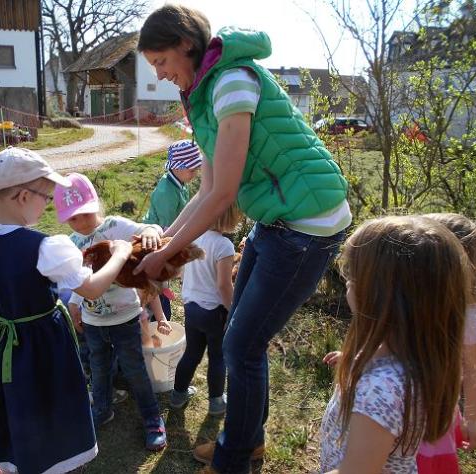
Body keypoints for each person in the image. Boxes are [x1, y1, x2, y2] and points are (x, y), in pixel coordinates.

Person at [137, 5, 351, 472]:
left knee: (241, 346)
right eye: (153, 66)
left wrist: (168, 254)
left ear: (186, 46)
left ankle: (235, 456)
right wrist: (162, 243)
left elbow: (225, 195)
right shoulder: (202, 95)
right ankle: (248, 438)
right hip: (278, 217)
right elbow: (206, 190)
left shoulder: (232, 82)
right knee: (240, 337)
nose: (160, 74)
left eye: (162, 62)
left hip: (308, 222)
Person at [0, 147, 133, 473]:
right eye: (46, 197)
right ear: (22, 196)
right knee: (48, 402)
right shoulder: (45, 248)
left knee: (10, 404)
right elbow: (90, 288)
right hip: (45, 346)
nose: (48, 205)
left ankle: (15, 459)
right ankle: (51, 461)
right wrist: (120, 253)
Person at [320, 216, 469, 473]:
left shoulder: (380, 388)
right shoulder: (414, 359)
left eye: (353, 277)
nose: (347, 283)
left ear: (381, 297)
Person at [55, 172, 171, 451]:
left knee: (134, 369)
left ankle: (152, 417)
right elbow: (75, 281)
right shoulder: (72, 243)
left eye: (85, 214)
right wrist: (73, 305)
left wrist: (152, 231)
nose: (81, 223)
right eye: (73, 218)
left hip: (125, 317)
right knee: (99, 368)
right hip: (93, 322)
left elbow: (147, 229)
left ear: (95, 205)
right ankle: (103, 410)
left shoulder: (114, 226)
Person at [416, 213, 476, 473]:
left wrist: (471, 418)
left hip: (433, 414)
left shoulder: (471, 316)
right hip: (395, 404)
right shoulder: (412, 302)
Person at [170, 203, 241, 416]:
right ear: (230, 218)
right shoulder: (224, 246)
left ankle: (178, 395)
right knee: (217, 357)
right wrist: (233, 310)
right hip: (214, 312)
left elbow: (182, 273)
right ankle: (216, 402)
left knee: (192, 353)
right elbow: (223, 285)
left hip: (192, 307)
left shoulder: (193, 238)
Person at [143, 138, 203, 319]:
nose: (195, 174)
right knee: (157, 273)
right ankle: (156, 308)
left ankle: (162, 295)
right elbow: (166, 229)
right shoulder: (166, 192)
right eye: (192, 169)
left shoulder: (179, 183)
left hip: (168, 231)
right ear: (177, 167)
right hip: (155, 238)